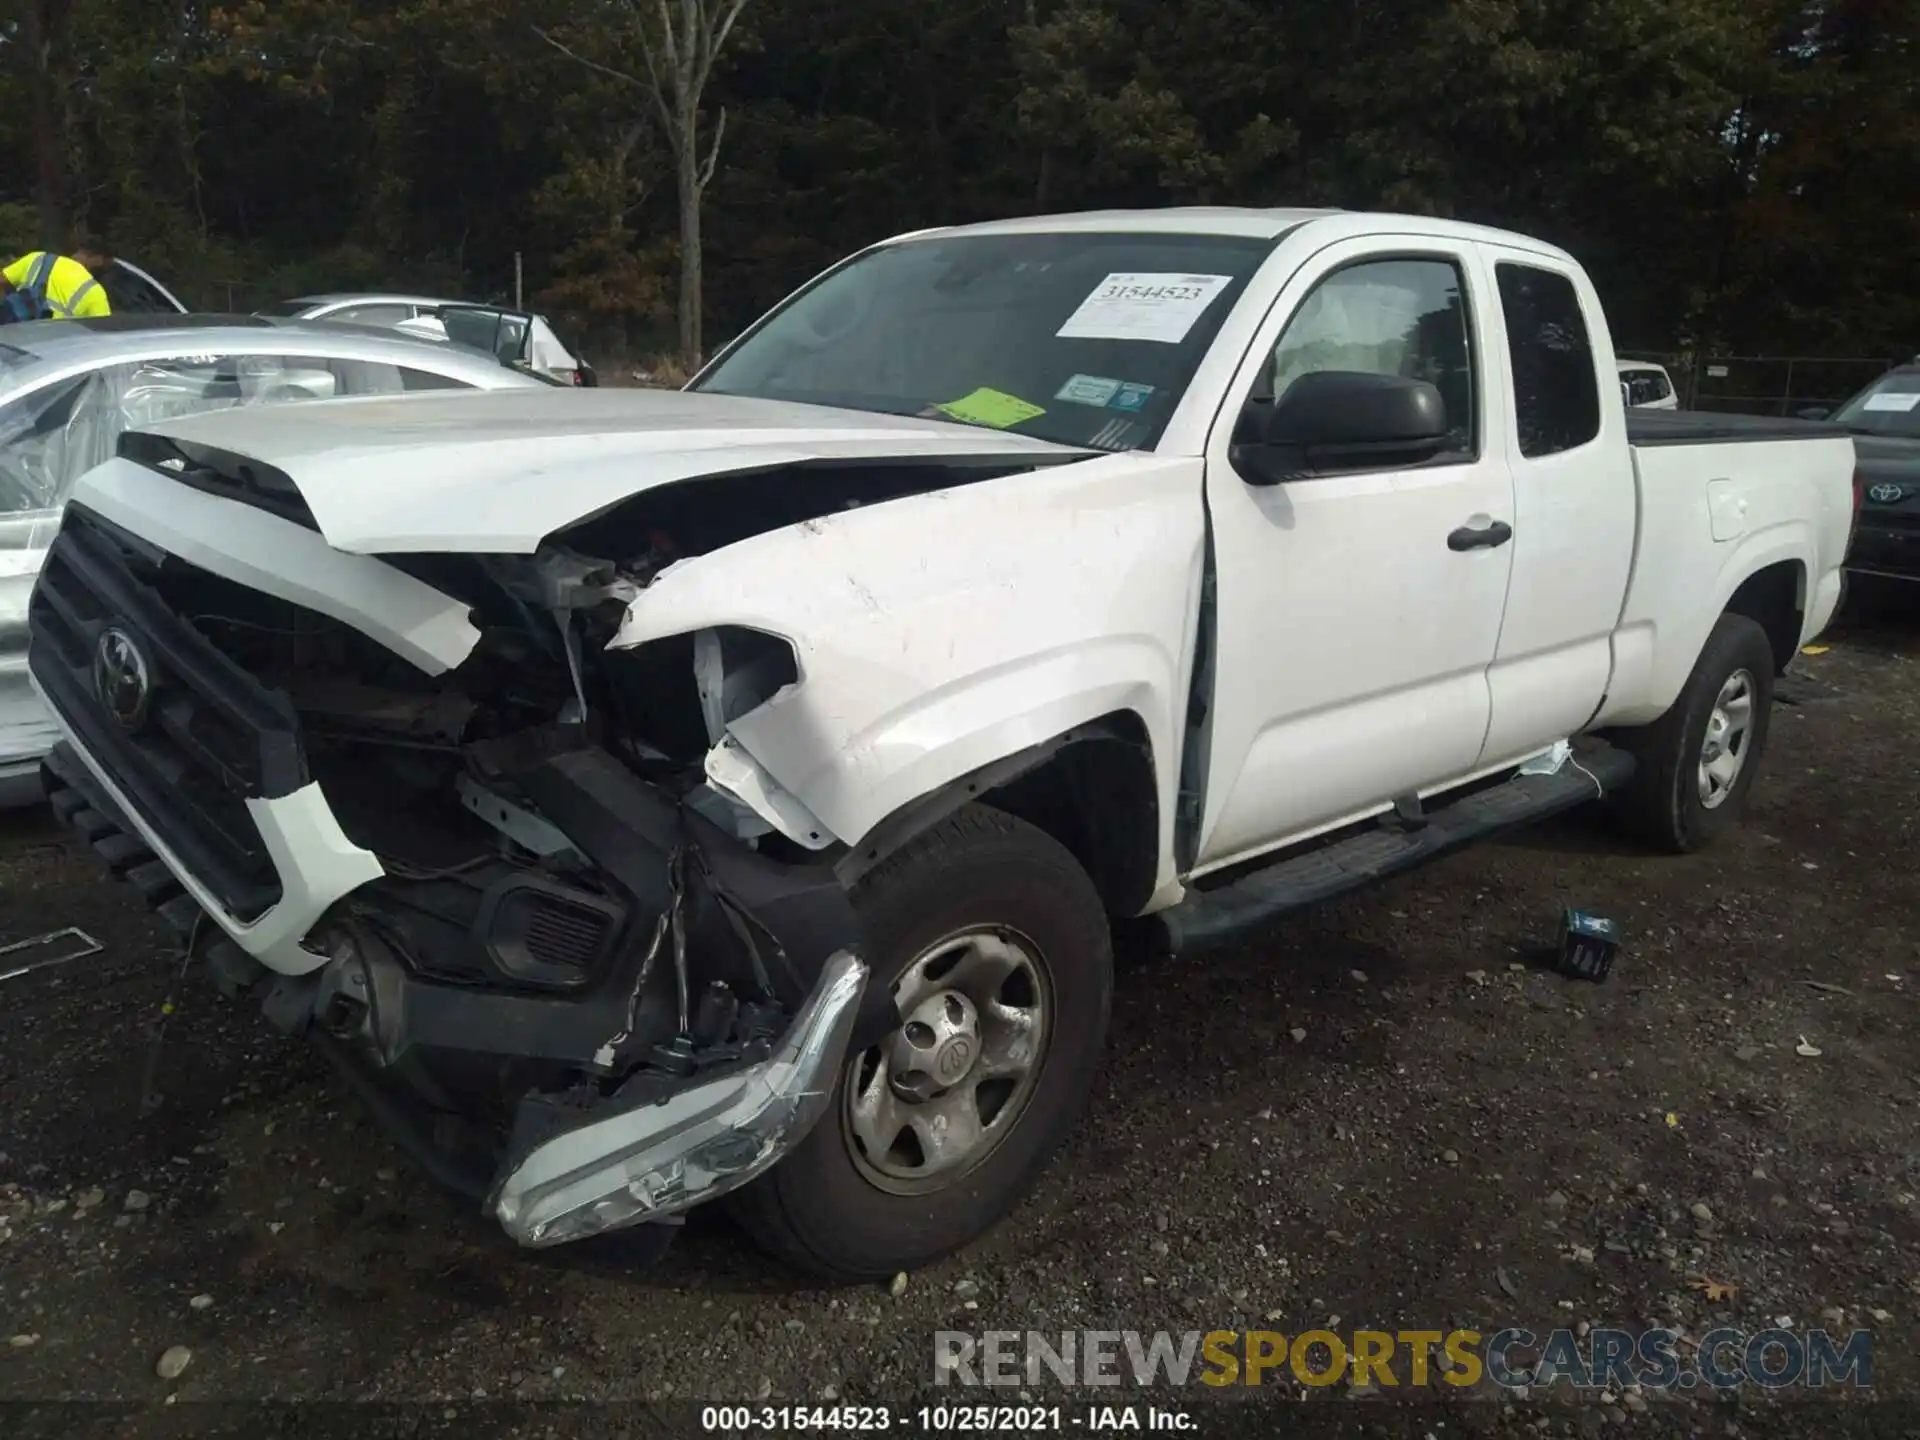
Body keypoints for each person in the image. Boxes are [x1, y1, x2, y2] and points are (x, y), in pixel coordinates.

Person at [0, 239, 114, 322]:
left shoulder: (38, 258)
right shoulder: (95, 292)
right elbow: (101, 334)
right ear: (99, 259)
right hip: (50, 348)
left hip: (13, 337)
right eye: (107, 265)